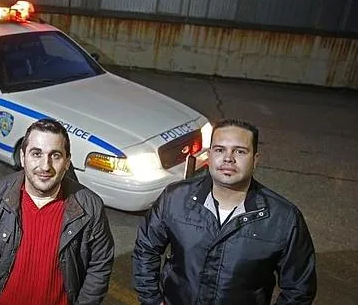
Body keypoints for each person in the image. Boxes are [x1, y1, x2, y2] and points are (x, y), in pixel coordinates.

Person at [132, 118, 316, 305]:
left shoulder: (283, 218)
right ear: (210, 155)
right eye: (220, 150)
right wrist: (152, 300)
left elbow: (299, 289)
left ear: (255, 160)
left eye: (240, 151)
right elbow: (146, 250)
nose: (228, 158)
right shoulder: (175, 198)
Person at [0, 118, 114, 305]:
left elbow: (99, 267)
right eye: (36, 154)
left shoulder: (91, 207)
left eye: (55, 155)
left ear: (67, 162)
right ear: (23, 157)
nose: (45, 166)